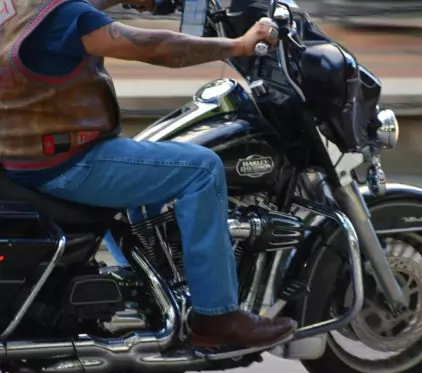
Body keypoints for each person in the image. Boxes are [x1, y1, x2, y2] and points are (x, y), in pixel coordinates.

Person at [0, 0, 297, 348]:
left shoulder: (19, 7)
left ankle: (152, 287)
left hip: (25, 155)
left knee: (151, 159)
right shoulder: (67, 17)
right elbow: (159, 48)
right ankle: (216, 316)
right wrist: (239, 45)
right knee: (202, 169)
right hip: (68, 163)